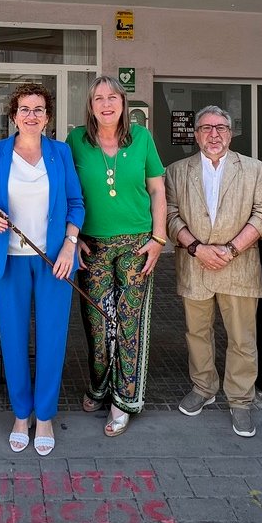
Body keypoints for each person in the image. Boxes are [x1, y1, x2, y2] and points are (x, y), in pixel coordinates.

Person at [0, 83, 84, 456]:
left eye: (39, 109)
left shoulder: (60, 152)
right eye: (24, 109)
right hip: (9, 260)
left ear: (48, 117)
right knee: (12, 339)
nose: (31, 115)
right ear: (13, 115)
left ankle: (44, 416)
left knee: (52, 339)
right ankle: (21, 414)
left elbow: (76, 203)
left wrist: (70, 245)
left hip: (53, 261)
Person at [66, 75, 167, 437]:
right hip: (91, 244)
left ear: (123, 103)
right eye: (98, 98)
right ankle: (98, 385)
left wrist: (159, 238)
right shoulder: (75, 140)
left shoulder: (142, 138)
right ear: (90, 106)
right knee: (96, 322)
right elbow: (68, 192)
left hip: (136, 244)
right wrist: (71, 236)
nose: (106, 104)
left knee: (128, 323)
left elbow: (157, 189)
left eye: (112, 97)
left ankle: (123, 400)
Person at [165, 105, 262, 438]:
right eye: (206, 128)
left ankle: (240, 400)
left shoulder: (253, 169)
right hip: (195, 265)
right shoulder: (176, 171)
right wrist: (197, 248)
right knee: (197, 333)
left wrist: (230, 249)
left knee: (242, 338)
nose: (214, 134)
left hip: (238, 265)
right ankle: (204, 387)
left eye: (221, 128)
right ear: (195, 134)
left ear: (231, 132)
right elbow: (169, 215)